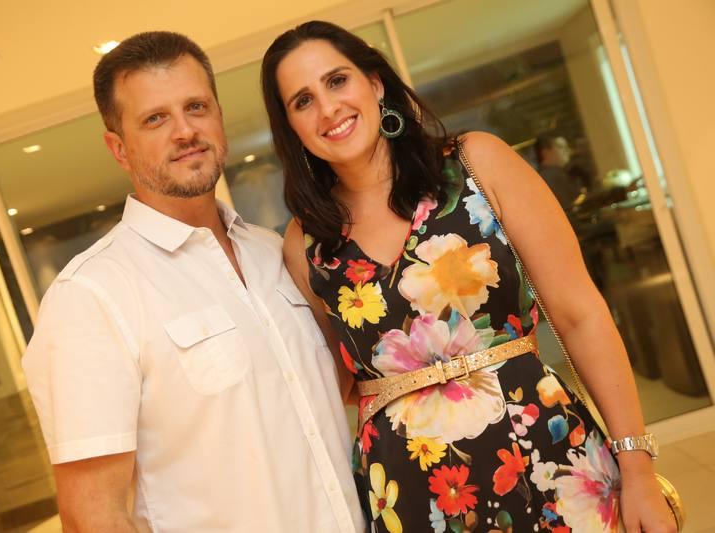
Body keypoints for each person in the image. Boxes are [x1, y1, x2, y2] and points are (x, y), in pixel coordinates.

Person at [260, 20, 676, 533]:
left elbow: (580, 315)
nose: (327, 109)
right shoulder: (306, 242)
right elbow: (342, 382)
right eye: (302, 101)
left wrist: (637, 468)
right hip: (413, 492)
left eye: (337, 81)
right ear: (291, 127)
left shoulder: (475, 163)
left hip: (546, 454)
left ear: (375, 83)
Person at [22, 31, 365, 533]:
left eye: (196, 107)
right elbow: (92, 514)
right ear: (119, 148)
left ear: (219, 117)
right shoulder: (91, 295)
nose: (185, 131)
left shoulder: (275, 252)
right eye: (155, 119)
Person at [534, 132, 583, 209]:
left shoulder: (560, 173)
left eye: (566, 147)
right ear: (546, 152)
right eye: (560, 147)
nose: (567, 151)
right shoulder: (551, 178)